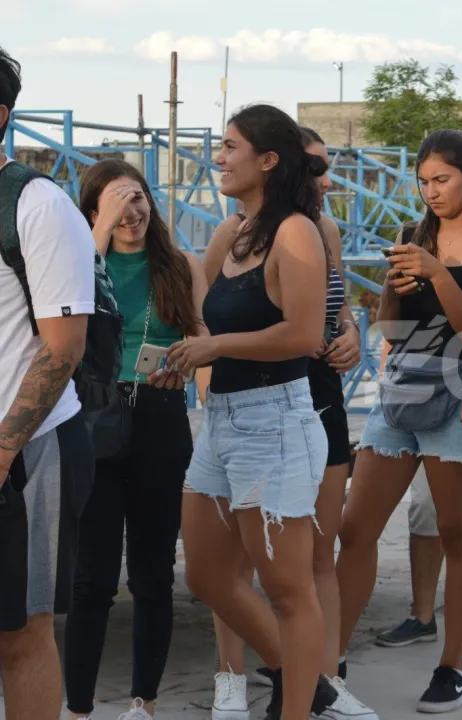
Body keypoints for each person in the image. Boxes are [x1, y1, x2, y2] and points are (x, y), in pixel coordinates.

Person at [335, 129, 462, 714]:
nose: (430, 192)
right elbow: (390, 325)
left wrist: (438, 275)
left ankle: (453, 666)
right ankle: (327, 661)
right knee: (356, 530)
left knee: (459, 532)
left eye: (441, 179)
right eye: (422, 182)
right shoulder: (414, 234)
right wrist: (393, 289)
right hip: (403, 389)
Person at [168, 103, 335, 720]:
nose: (218, 156)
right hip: (222, 422)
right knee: (207, 576)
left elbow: (303, 334)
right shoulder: (229, 232)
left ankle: (297, 706)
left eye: (230, 145)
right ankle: (302, 680)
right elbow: (201, 315)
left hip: (278, 421)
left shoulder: (296, 231)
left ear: (267, 160)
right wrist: (182, 352)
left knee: (290, 591)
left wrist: (218, 347)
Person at [206, 127, 373, 719]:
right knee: (222, 569)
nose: (324, 178)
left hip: (298, 403)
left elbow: (325, 313)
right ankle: (250, 675)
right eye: (316, 166)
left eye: (324, 166)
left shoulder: (312, 228)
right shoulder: (234, 231)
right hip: (240, 408)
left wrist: (350, 330)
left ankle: (314, 685)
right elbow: (207, 317)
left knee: (306, 564)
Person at [63, 160, 206, 720]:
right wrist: (91, 243)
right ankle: (78, 708)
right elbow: (58, 315)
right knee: (91, 577)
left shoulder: (179, 265)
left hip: (160, 417)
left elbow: (201, 338)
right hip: (94, 418)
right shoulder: (76, 265)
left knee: (152, 574)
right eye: (118, 200)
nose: (133, 210)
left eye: (140, 197)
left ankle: (143, 703)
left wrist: (188, 365)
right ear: (93, 213)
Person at [0, 45, 96, 720]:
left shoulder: (37, 204)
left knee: (20, 631)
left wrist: (3, 449)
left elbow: (63, 349)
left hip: (26, 452)